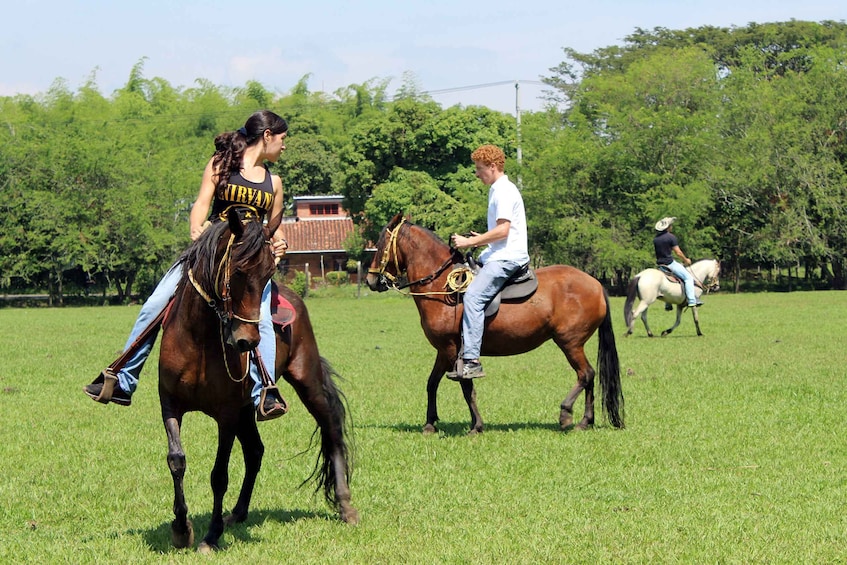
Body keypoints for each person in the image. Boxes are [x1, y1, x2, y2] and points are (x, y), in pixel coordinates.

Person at [83, 110, 290, 420]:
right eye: (283, 139)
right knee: (154, 304)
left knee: (260, 322)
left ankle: (265, 393)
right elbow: (201, 205)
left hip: (248, 264)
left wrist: (280, 243)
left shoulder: (274, 182)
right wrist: (196, 227)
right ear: (268, 136)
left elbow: (275, 226)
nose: (284, 146)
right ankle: (123, 378)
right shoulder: (221, 165)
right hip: (210, 256)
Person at [450, 144, 530, 379]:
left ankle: (472, 361)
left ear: (493, 167)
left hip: (507, 258)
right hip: (496, 254)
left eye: (479, 168)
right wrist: (482, 242)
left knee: (473, 297)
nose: (477, 173)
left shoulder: (504, 191)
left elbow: (503, 230)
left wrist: (470, 243)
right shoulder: (497, 189)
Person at [653, 216, 702, 307]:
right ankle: (692, 300)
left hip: (660, 265)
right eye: (671, 225)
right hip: (670, 263)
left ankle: (668, 303)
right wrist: (686, 260)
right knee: (688, 278)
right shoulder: (671, 237)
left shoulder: (656, 239)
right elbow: (678, 252)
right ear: (668, 227)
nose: (672, 227)